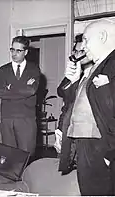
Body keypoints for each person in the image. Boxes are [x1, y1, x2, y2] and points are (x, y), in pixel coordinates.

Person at [58, 19, 115, 195]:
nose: (83, 46)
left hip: (100, 144)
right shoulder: (96, 67)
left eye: (86, 39)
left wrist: (110, 153)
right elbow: (75, 101)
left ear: (102, 36)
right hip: (86, 141)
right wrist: (75, 81)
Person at [0, 36, 40, 155]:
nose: (14, 54)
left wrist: (10, 88)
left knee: (26, 155)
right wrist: (22, 88)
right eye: (12, 50)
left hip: (26, 119)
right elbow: (0, 92)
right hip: (7, 119)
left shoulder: (34, 69)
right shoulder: (3, 70)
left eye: (18, 51)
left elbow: (31, 90)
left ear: (26, 52)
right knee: (8, 156)